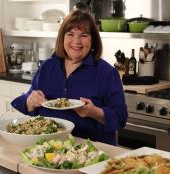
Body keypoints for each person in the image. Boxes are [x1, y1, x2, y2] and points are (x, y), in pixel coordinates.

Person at [11, 10, 128, 145]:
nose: (76, 41)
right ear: (62, 38)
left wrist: (94, 112)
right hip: (49, 147)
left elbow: (120, 119)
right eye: (70, 34)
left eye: (84, 35)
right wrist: (29, 102)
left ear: (93, 40)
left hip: (92, 152)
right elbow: (29, 99)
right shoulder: (48, 67)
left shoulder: (107, 73)